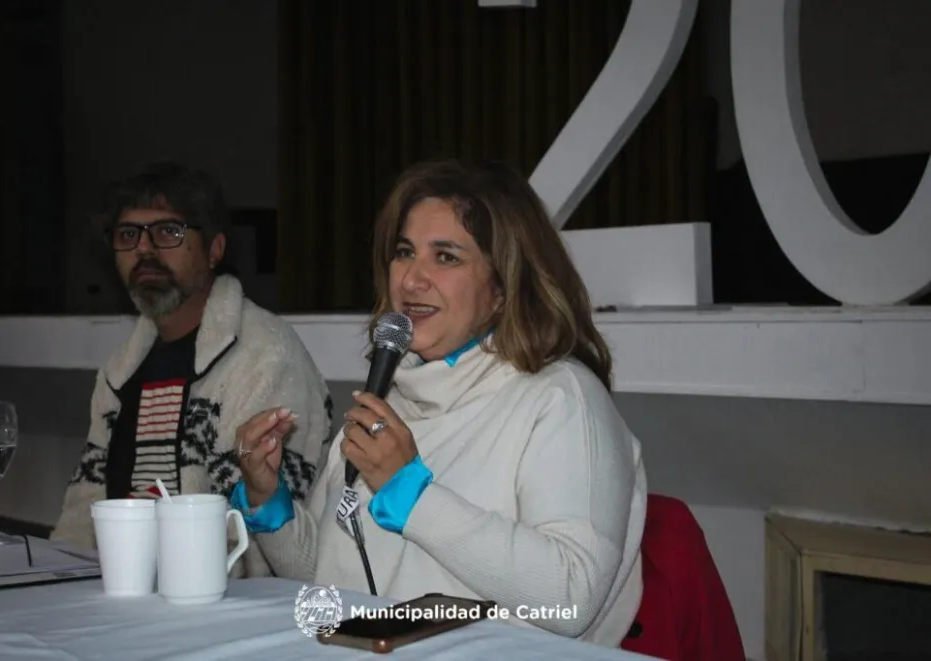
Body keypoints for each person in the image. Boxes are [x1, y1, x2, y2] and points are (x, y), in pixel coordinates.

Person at [232, 158, 647, 645]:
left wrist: (413, 496)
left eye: (446, 257)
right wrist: (270, 502)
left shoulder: (561, 400)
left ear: (502, 289)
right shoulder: (388, 399)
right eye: (404, 252)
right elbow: (339, 577)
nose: (410, 280)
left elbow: (573, 598)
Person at [51, 161, 333, 579]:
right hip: (124, 589)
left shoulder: (266, 357)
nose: (144, 250)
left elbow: (257, 543)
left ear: (214, 249)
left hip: (228, 605)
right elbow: (86, 510)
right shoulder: (119, 371)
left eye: (168, 232)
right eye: (129, 235)